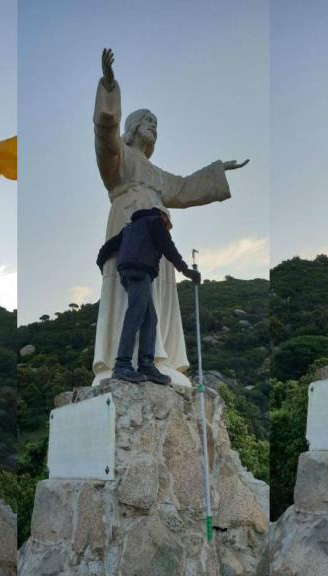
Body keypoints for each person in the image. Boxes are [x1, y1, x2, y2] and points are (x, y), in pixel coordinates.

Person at [91, 47, 247, 386]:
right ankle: (123, 361)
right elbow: (104, 136)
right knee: (131, 299)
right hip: (128, 229)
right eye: (148, 121)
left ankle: (154, 358)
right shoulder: (119, 159)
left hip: (156, 243)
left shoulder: (157, 175)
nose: (154, 128)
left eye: (157, 125)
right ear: (132, 127)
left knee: (154, 298)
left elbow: (186, 188)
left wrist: (220, 170)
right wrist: (108, 91)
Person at [97, 207, 200, 384]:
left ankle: (146, 364)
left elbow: (107, 248)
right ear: (163, 217)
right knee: (135, 315)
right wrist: (187, 271)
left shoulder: (130, 227)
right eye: (167, 224)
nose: (167, 228)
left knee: (150, 318)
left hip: (128, 271)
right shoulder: (155, 222)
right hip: (140, 270)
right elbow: (169, 248)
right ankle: (122, 364)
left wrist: (101, 265)